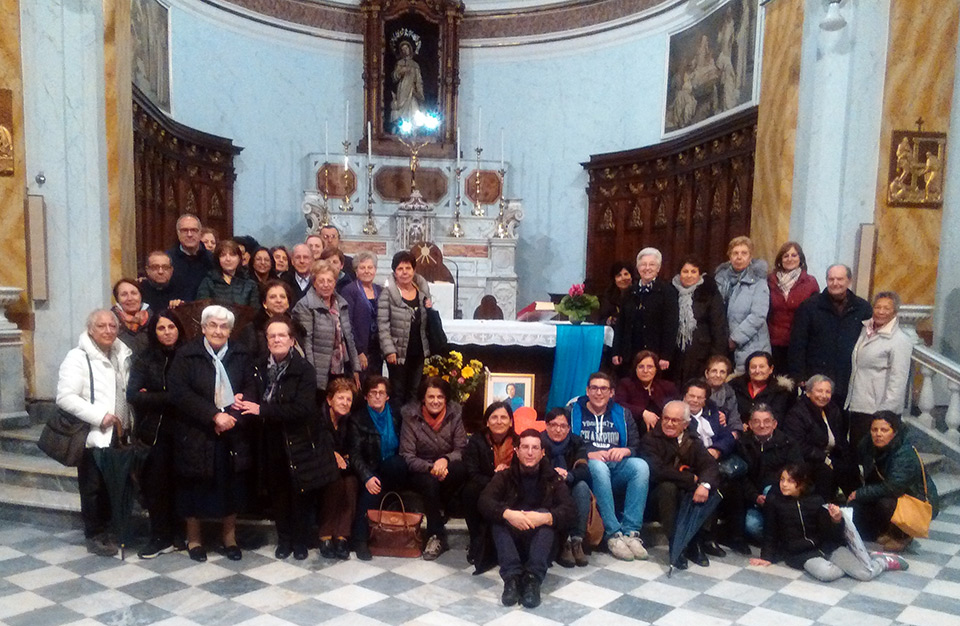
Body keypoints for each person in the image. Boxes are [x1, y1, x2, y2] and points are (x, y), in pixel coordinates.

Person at [236, 317, 334, 561]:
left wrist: (263, 409)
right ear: (267, 341)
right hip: (269, 438)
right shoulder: (258, 366)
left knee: (299, 492)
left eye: (282, 335)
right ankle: (284, 539)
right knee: (278, 492)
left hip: (298, 438)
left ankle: (300, 541)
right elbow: (251, 394)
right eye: (272, 336)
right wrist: (241, 398)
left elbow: (302, 409)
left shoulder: (304, 369)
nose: (277, 339)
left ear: (292, 340)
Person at [168, 305, 256, 562]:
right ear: (203, 328)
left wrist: (232, 417)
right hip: (196, 431)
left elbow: (250, 388)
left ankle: (229, 538)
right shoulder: (187, 355)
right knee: (193, 487)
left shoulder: (241, 354)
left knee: (231, 486)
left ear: (230, 330)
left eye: (224, 326)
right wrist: (213, 415)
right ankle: (194, 539)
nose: (218, 330)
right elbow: (179, 392)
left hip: (231, 431)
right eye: (213, 325)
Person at [56, 309, 133, 556]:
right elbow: (65, 397)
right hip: (94, 432)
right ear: (90, 329)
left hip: (120, 431)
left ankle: (113, 529)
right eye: (102, 326)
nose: (108, 330)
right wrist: (100, 417)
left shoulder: (123, 353)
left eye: (113, 326)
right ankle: (95, 534)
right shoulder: (77, 357)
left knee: (115, 485)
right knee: (92, 487)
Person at [750, 464, 907, 582]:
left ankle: (882, 562)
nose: (784, 484)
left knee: (865, 574)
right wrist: (767, 557)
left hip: (827, 547)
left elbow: (831, 534)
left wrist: (836, 520)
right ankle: (859, 560)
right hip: (801, 554)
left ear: (802, 483)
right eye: (782, 480)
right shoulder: (775, 502)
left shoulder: (816, 500)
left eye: (790, 481)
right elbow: (770, 532)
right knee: (826, 574)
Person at [478, 428, 577, 609]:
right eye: (525, 447)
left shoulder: (553, 478)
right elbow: (484, 502)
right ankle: (512, 580)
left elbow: (570, 510)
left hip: (541, 543)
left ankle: (532, 580)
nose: (530, 452)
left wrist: (545, 517)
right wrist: (508, 514)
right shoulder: (505, 476)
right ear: (517, 451)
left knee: (546, 519)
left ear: (542, 452)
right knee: (499, 519)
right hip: (511, 541)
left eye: (535, 448)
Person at [570, 372, 649, 561]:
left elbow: (635, 444)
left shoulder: (622, 413)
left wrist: (625, 451)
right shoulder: (573, 412)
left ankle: (631, 533)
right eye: (594, 388)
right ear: (587, 391)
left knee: (641, 467)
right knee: (598, 466)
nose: (599, 393)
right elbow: (566, 443)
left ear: (611, 392)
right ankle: (613, 533)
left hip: (616, 464)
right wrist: (587, 453)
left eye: (603, 388)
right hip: (588, 467)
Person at [127, 310, 186, 559]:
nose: (167, 332)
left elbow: (196, 392)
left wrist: (152, 395)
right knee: (156, 484)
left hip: (186, 429)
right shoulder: (145, 357)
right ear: (154, 332)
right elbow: (133, 394)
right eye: (161, 328)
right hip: (155, 430)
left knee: (182, 483)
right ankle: (159, 535)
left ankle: (179, 534)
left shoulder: (189, 354)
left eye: (171, 327)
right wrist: (171, 397)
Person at [640, 400, 720, 569]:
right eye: (666, 418)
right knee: (668, 487)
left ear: (685, 424)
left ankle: (696, 541)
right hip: (656, 497)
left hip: (684, 494)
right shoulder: (650, 439)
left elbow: (709, 465)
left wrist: (703, 484)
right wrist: (690, 479)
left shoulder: (693, 440)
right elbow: (658, 471)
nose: (669, 423)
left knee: (708, 488)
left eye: (675, 420)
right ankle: (677, 545)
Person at [848, 411, 939, 551]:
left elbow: (893, 487)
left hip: (916, 500)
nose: (878, 434)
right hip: (894, 493)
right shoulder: (868, 445)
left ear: (894, 432)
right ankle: (888, 531)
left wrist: (860, 493)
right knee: (858, 508)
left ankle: (903, 536)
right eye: (874, 429)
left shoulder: (904, 453)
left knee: (885, 503)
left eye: (884, 430)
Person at [399, 376, 468, 560]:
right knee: (430, 483)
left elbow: (461, 448)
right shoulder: (410, 416)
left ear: (446, 399)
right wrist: (431, 467)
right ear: (423, 398)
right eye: (431, 397)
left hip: (447, 465)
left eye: (440, 397)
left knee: (462, 469)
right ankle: (436, 535)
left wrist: (445, 459)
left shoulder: (455, 414)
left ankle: (441, 506)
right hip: (421, 469)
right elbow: (407, 455)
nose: (435, 401)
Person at [789, 264, 872, 405]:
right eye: (831, 279)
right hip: (817, 377)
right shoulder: (809, 307)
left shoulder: (862, 308)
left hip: (849, 378)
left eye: (840, 279)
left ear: (849, 281)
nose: (835, 283)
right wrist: (800, 375)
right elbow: (798, 343)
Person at [845, 292, 914, 458]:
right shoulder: (865, 330)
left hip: (878, 410)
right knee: (857, 455)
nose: (881, 311)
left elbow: (898, 379)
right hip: (858, 404)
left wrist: (886, 414)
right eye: (878, 307)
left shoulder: (899, 340)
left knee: (875, 460)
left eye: (886, 308)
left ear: (895, 312)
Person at [347, 375, 408, 560]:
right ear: (365, 396)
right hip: (370, 469)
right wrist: (367, 477)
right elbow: (355, 454)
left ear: (387, 396)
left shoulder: (397, 414)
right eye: (373, 393)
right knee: (371, 492)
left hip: (394, 470)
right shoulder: (357, 419)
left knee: (395, 464)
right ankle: (360, 540)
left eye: (382, 393)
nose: (378, 396)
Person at [291, 260, 361, 397]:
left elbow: (349, 338)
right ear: (314, 282)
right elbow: (307, 342)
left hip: (342, 366)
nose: (326, 285)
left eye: (330, 281)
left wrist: (356, 368)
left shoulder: (341, 303)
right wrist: (311, 373)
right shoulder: (305, 305)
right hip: (320, 369)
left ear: (335, 282)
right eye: (321, 281)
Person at [783, 374, 857, 501]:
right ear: (808, 392)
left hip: (831, 454)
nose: (823, 395)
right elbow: (799, 445)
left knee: (851, 467)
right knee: (825, 473)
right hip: (809, 459)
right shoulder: (797, 413)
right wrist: (825, 459)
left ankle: (854, 507)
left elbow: (840, 438)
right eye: (819, 391)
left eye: (827, 392)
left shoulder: (833, 409)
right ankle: (824, 509)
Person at [462, 401, 518, 569]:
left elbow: (524, 470)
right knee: (469, 491)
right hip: (484, 485)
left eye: (503, 417)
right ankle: (476, 541)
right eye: (494, 417)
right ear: (487, 422)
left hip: (510, 487)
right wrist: (495, 479)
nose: (499, 421)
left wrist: (506, 473)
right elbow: (471, 472)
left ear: (511, 422)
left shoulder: (519, 442)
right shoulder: (476, 441)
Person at [735, 403, 802, 543]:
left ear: (774, 424)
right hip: (754, 499)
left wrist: (772, 493)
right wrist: (755, 497)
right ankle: (774, 541)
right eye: (756, 421)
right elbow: (741, 477)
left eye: (766, 421)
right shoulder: (742, 444)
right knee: (752, 526)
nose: (762, 425)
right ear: (750, 425)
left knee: (769, 490)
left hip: (782, 498)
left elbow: (797, 473)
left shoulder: (788, 443)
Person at [379, 251, 433, 412]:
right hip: (397, 352)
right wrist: (389, 350)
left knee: (415, 391)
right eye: (400, 268)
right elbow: (382, 323)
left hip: (418, 351)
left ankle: (411, 430)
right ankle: (397, 430)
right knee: (398, 393)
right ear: (394, 272)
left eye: (408, 268)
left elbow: (426, 320)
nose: (404, 272)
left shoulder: (422, 292)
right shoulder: (387, 293)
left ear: (414, 270)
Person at [612, 248, 679, 376]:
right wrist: (617, 351)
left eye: (652, 264)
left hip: (656, 354)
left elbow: (671, 326)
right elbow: (621, 324)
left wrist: (666, 355)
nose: (647, 268)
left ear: (658, 268)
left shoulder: (668, 292)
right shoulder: (629, 292)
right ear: (638, 268)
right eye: (643, 264)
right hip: (630, 353)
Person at [541, 407, 592, 568]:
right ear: (546, 425)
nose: (558, 429)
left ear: (569, 428)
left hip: (570, 484)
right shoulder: (538, 442)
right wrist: (553, 475)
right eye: (553, 425)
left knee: (582, 487)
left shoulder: (577, 442)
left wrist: (568, 475)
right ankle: (563, 542)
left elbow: (584, 471)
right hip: (546, 487)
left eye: (563, 426)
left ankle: (577, 540)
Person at [714, 236, 770, 375]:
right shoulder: (720, 280)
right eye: (735, 253)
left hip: (751, 344)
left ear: (750, 257)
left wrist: (735, 339)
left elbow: (758, 315)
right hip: (723, 344)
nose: (739, 257)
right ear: (729, 256)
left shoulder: (759, 282)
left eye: (744, 253)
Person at [317, 378, 359, 560]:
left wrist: (344, 457)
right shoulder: (318, 418)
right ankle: (325, 534)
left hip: (343, 467)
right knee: (335, 481)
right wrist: (333, 455)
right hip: (318, 466)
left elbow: (352, 448)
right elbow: (316, 446)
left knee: (351, 482)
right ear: (329, 400)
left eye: (348, 399)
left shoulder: (349, 421)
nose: (345, 403)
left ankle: (342, 536)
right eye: (341, 398)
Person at [671, 256, 728, 384]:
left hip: (701, 353)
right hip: (676, 353)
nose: (689, 275)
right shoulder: (671, 291)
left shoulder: (709, 291)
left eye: (693, 271)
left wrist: (716, 356)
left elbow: (718, 326)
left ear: (699, 274)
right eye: (685, 271)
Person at [767, 242, 819, 373]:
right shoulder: (769, 281)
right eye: (786, 256)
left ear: (800, 258)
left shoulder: (810, 282)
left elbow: (815, 313)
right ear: (780, 260)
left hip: (798, 342)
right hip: (773, 341)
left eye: (794, 255)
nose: (790, 259)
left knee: (792, 383)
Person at [341, 251, 383, 380]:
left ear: (375, 270)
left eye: (370, 267)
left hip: (377, 348)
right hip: (360, 347)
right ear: (356, 270)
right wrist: (359, 351)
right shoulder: (350, 290)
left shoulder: (380, 290)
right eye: (362, 267)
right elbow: (348, 323)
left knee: (375, 384)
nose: (366, 271)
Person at [615, 350, 679, 435]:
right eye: (641, 367)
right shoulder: (625, 384)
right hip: (633, 430)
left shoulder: (668, 387)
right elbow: (618, 404)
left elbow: (677, 408)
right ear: (635, 369)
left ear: (656, 369)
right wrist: (643, 413)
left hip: (663, 433)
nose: (645, 371)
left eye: (650, 367)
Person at [730, 350, 795, 422]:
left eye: (761, 367)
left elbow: (780, 418)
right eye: (753, 367)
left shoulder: (781, 392)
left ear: (771, 369)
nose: (757, 371)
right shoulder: (735, 387)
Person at [196, 239, 259, 308]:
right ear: (218, 259)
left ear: (239, 258)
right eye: (223, 255)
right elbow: (202, 309)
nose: (228, 259)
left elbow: (254, 312)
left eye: (232, 255)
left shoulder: (250, 284)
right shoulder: (208, 282)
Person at [167, 213, 214, 302]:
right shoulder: (168, 260)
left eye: (194, 230)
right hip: (176, 311)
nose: (189, 234)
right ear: (178, 233)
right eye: (184, 230)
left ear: (200, 233)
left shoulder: (212, 259)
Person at [390, 39, 425, 130]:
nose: (405, 51)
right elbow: (394, 77)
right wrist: (401, 72)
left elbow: (419, 80)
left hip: (411, 90)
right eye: (403, 49)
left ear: (410, 49)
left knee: (414, 108)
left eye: (406, 48)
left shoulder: (415, 65)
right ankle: (402, 130)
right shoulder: (400, 63)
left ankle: (413, 131)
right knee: (401, 110)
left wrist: (420, 93)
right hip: (402, 90)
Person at [704, 355, 743, 434]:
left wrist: (734, 434)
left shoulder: (730, 393)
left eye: (722, 372)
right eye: (714, 371)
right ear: (707, 373)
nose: (718, 375)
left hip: (723, 434)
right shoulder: (696, 390)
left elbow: (734, 419)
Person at [111, 278, 151, 354]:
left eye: (134, 293)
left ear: (140, 296)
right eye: (124, 294)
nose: (130, 298)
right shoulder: (109, 323)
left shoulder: (155, 322)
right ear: (117, 299)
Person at [596, 261, 635, 327]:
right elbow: (601, 320)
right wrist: (610, 320)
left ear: (631, 277)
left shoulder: (638, 293)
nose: (623, 278)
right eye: (619, 275)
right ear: (614, 280)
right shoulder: (609, 295)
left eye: (626, 274)